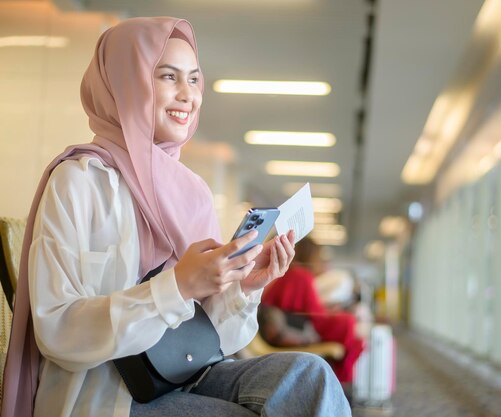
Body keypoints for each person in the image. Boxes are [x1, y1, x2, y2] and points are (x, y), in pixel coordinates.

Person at [1, 17, 351, 417]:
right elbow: (58, 331)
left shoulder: (192, 191)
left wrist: (244, 287)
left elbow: (213, 338)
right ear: (125, 81)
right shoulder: (79, 181)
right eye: (169, 77)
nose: (188, 95)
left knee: (310, 375)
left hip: (183, 373)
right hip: (106, 393)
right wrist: (177, 286)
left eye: (195, 79)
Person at [261, 237, 365, 385]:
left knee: (353, 335)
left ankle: (340, 383)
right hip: (299, 329)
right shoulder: (302, 275)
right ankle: (342, 382)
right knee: (350, 323)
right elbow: (317, 316)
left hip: (288, 326)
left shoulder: (290, 274)